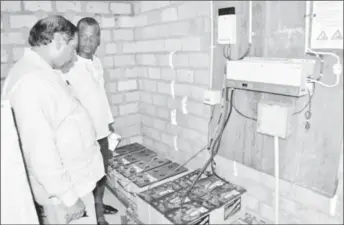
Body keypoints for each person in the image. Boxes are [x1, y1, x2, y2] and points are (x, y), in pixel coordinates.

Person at [1, 15, 105, 224]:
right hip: (65, 196)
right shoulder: (31, 81)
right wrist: (69, 197)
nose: (74, 56)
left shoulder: (42, 72)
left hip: (74, 184)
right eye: (72, 47)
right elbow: (39, 151)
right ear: (58, 40)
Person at [60, 17, 118, 225]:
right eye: (83, 37)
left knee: (101, 173)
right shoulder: (67, 65)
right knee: (85, 176)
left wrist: (109, 123)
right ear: (76, 37)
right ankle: (92, 214)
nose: (88, 42)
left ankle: (99, 208)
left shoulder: (97, 63)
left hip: (101, 130)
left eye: (93, 37)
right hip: (82, 135)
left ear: (98, 40)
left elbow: (100, 95)